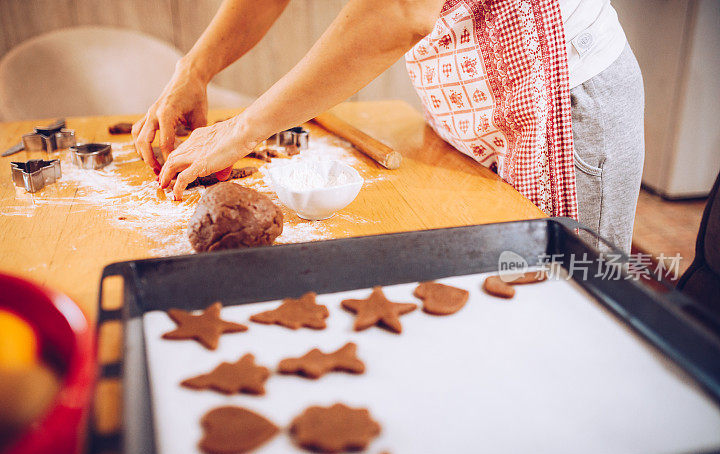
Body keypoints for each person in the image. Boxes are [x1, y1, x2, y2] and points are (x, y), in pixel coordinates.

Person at [133, 0, 643, 253]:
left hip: (562, 99)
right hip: (473, 108)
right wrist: (194, 68)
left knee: (568, 300)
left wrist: (244, 129)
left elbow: (399, 11)